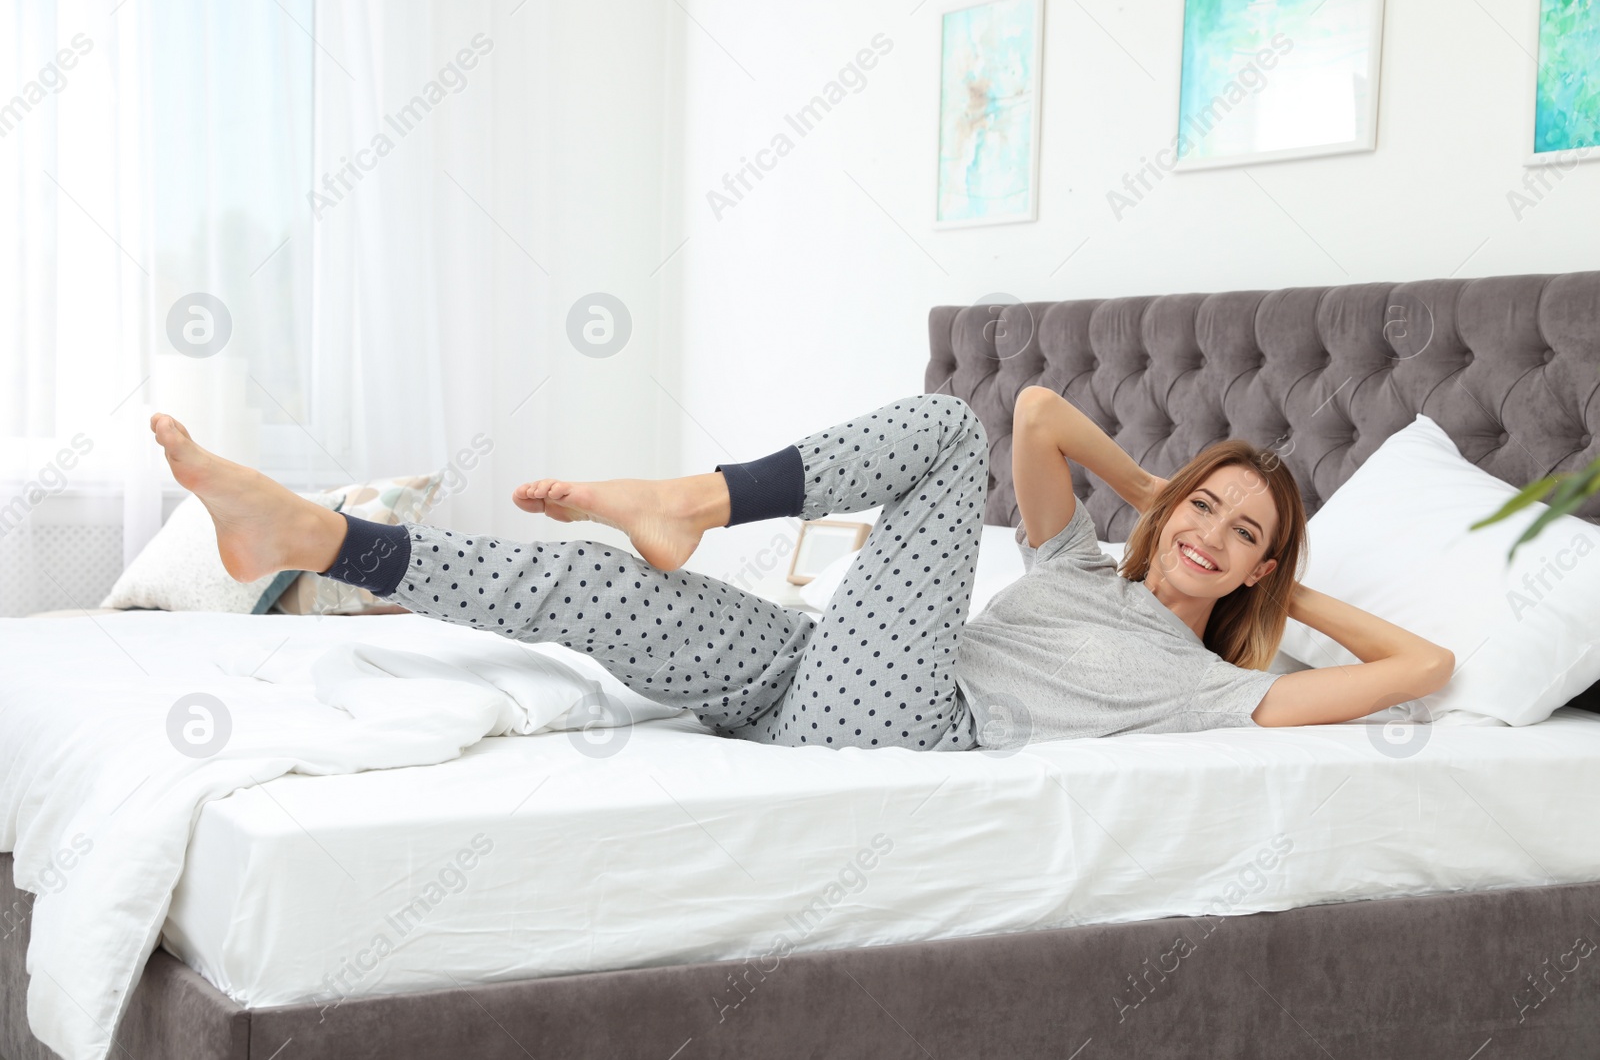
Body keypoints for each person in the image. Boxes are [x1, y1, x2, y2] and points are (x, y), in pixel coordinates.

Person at [148, 390, 1453, 752]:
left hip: (909, 721)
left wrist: (1285, 595)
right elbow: (1044, 411)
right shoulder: (1079, 564)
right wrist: (1151, 494)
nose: (1204, 536)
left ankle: (694, 502)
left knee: (939, 434)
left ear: (1257, 575)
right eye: (1202, 506)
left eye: (1241, 537)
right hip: (809, 672)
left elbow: (1424, 666)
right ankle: (317, 539)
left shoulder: (1217, 690)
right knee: (591, 591)